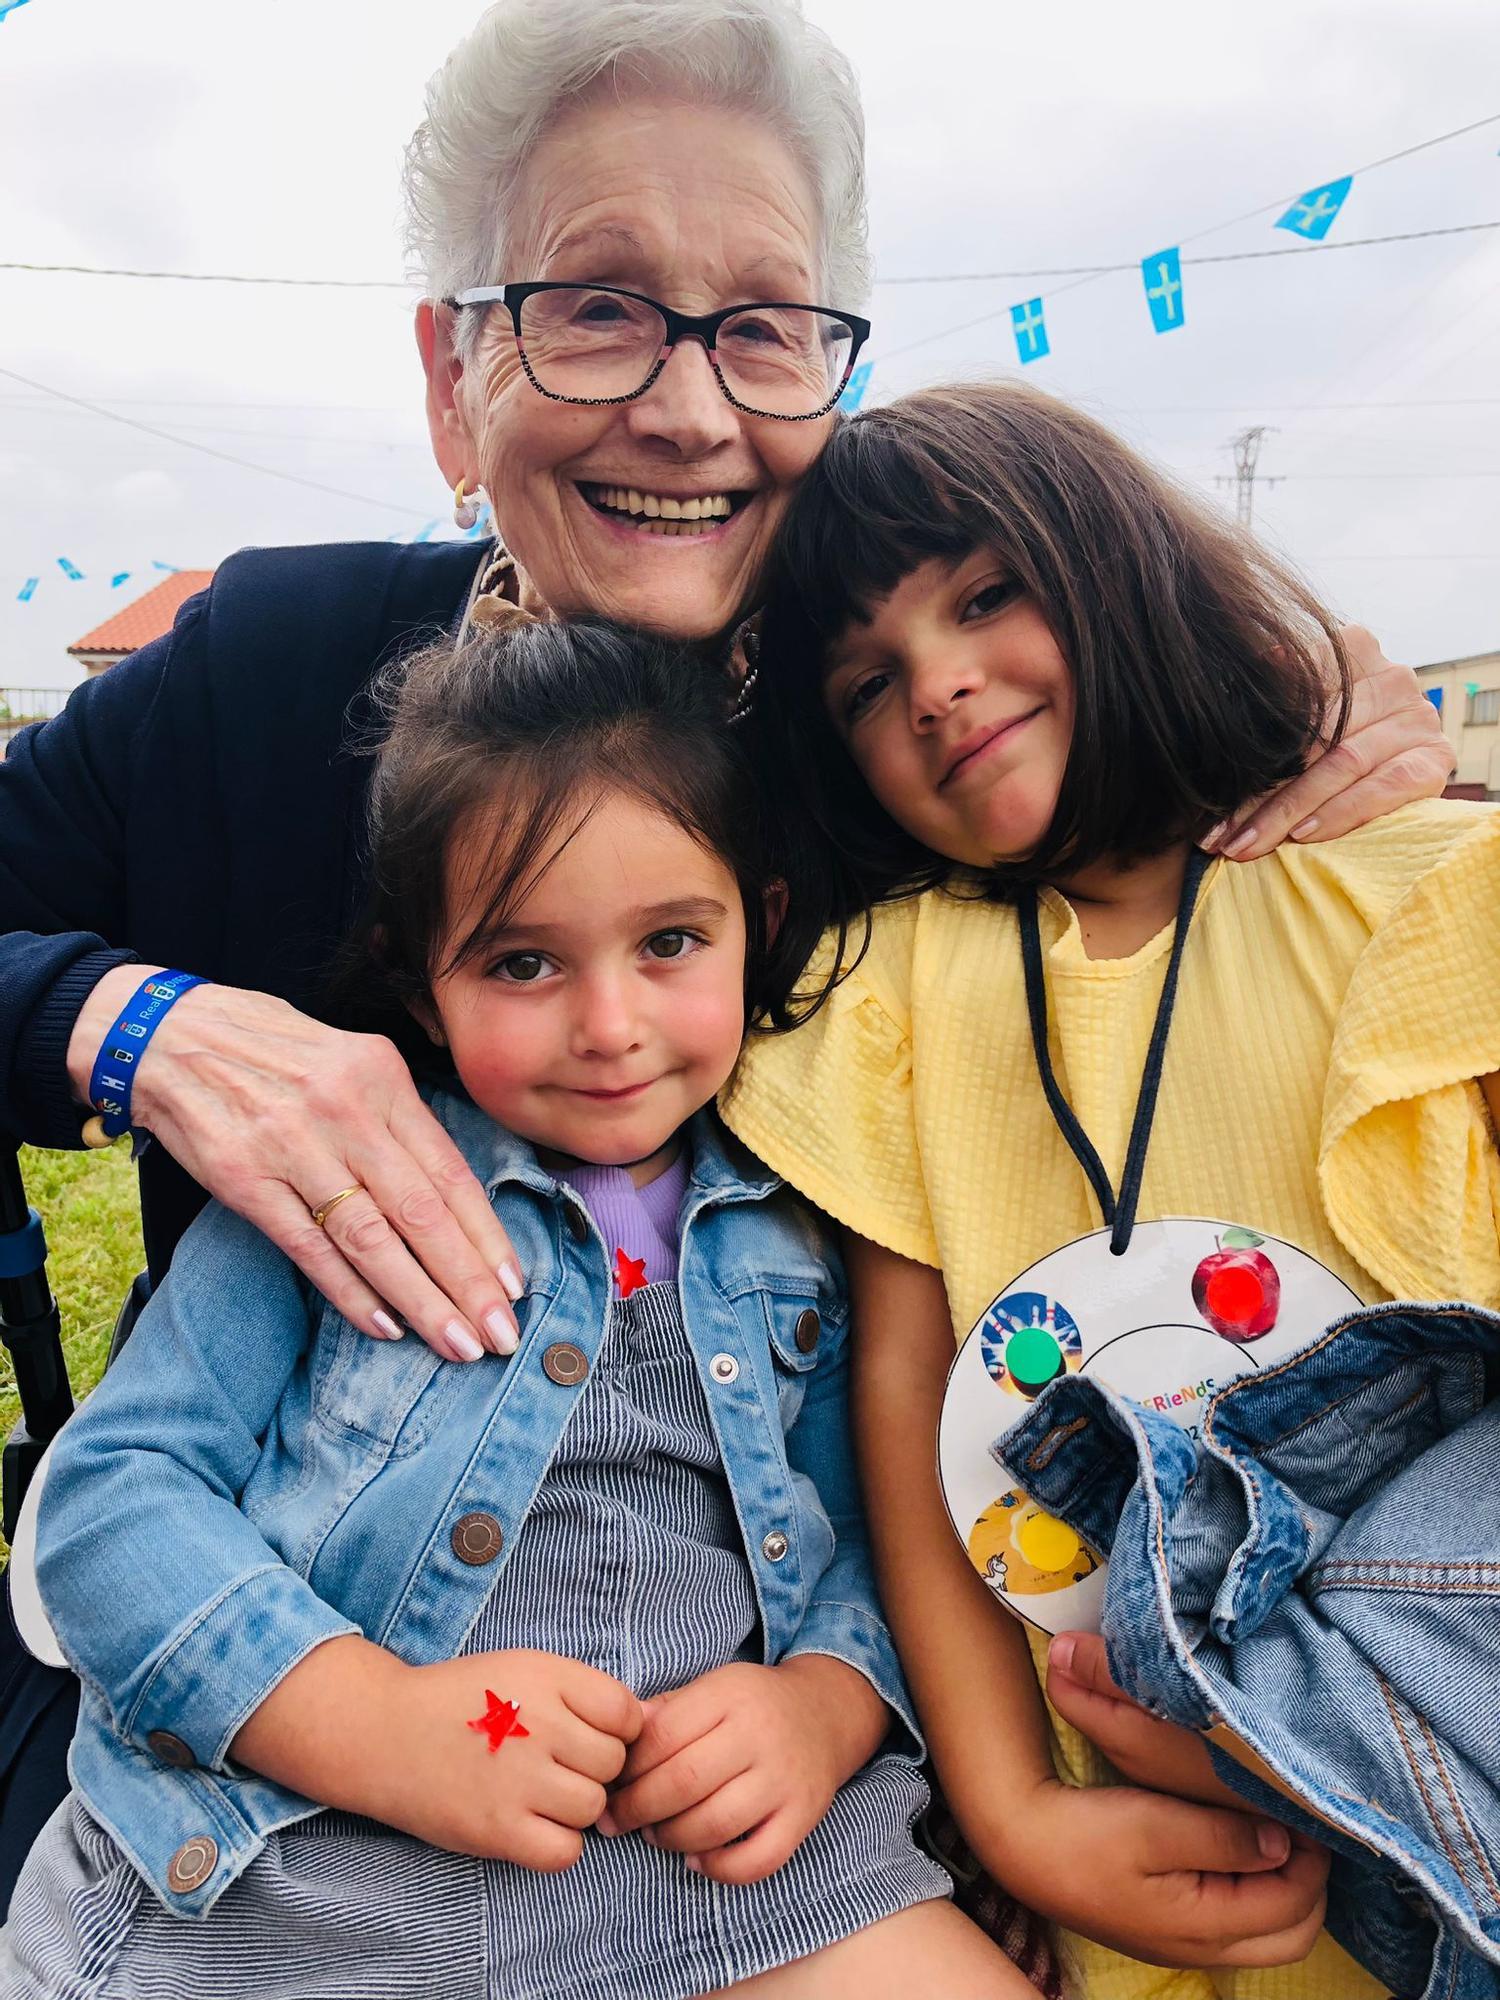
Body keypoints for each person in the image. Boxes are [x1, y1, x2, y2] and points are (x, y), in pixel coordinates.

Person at [0, 0, 1451, 1923]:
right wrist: (131, 1024)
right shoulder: (267, 677)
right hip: (284, 1789)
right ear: (455, 380)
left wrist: (1290, 690)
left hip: (771, 1800)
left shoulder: (913, 773)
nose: (690, 407)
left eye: (765, 326)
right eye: (596, 305)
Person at [2, 619, 1042, 2000]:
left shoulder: (813, 1215)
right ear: (420, 982)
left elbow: (869, 1532)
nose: (609, 1023)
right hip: (310, 1867)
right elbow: (112, 1501)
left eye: (671, 941)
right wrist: (372, 1724)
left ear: (762, 923)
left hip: (725, 1874)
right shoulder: (339, 1194)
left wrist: (827, 1706)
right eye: (522, 964)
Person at [719, 380, 1500, 2000]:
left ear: (1116, 558)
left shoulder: (1423, 884)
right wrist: (1008, 1813)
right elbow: (908, 1384)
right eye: (869, 681)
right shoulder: (890, 990)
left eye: (987, 593)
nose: (938, 683)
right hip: (1121, 1840)